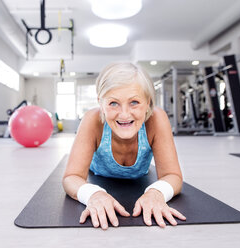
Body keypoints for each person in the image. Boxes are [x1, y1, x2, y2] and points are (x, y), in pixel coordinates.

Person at [62, 62, 186, 230]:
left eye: (134, 102)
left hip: (140, 176)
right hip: (98, 173)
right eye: (113, 103)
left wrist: (156, 192)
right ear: (101, 103)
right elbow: (71, 177)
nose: (125, 114)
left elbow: (173, 175)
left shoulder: (156, 119)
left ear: (148, 102)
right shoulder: (92, 120)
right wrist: (93, 194)